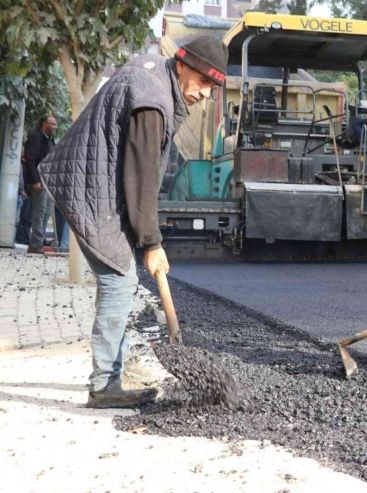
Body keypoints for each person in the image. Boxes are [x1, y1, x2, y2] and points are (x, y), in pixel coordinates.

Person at [39, 36, 228, 408]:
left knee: (118, 277)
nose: (207, 94)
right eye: (205, 82)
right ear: (183, 65)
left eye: (214, 87)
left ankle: (113, 370)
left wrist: (146, 239)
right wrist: (152, 243)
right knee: (119, 282)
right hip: (92, 192)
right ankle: (105, 385)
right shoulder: (152, 102)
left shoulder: (153, 74)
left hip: (93, 185)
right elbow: (141, 179)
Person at [25, 114, 57, 254]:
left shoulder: (49, 139)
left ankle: (38, 241)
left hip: (48, 181)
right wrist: (35, 180)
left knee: (47, 211)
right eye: (52, 124)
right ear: (44, 124)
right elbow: (31, 160)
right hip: (40, 181)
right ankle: (36, 244)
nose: (54, 127)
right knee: (40, 211)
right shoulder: (36, 137)